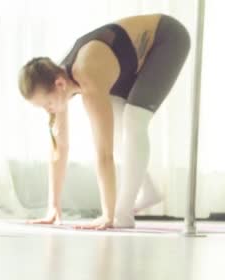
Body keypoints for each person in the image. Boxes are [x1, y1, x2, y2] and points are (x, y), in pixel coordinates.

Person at [18, 14, 190, 229]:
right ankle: (147, 191)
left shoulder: (87, 76)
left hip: (166, 38)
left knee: (134, 119)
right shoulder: (58, 82)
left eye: (47, 104)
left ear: (60, 84)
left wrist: (108, 215)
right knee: (118, 123)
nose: (47, 110)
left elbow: (104, 155)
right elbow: (59, 148)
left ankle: (123, 214)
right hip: (124, 62)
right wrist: (53, 206)